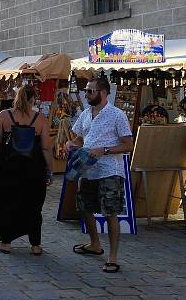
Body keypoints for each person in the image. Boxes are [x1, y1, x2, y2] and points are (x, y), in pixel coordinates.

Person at [67, 77, 133, 274]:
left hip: (109, 170)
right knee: (84, 208)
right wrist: (71, 144)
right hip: (87, 170)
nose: (86, 94)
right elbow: (79, 138)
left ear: (103, 93)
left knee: (110, 212)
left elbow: (128, 145)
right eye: (86, 91)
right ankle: (95, 245)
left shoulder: (117, 115)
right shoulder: (86, 113)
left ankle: (113, 257)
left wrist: (104, 150)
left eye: (90, 91)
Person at [0, 85, 54, 255]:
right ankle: (35, 245)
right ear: (33, 100)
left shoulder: (4, 115)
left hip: (8, 166)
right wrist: (50, 169)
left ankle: (5, 242)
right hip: (33, 168)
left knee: (6, 203)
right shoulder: (40, 119)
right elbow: (46, 147)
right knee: (33, 205)